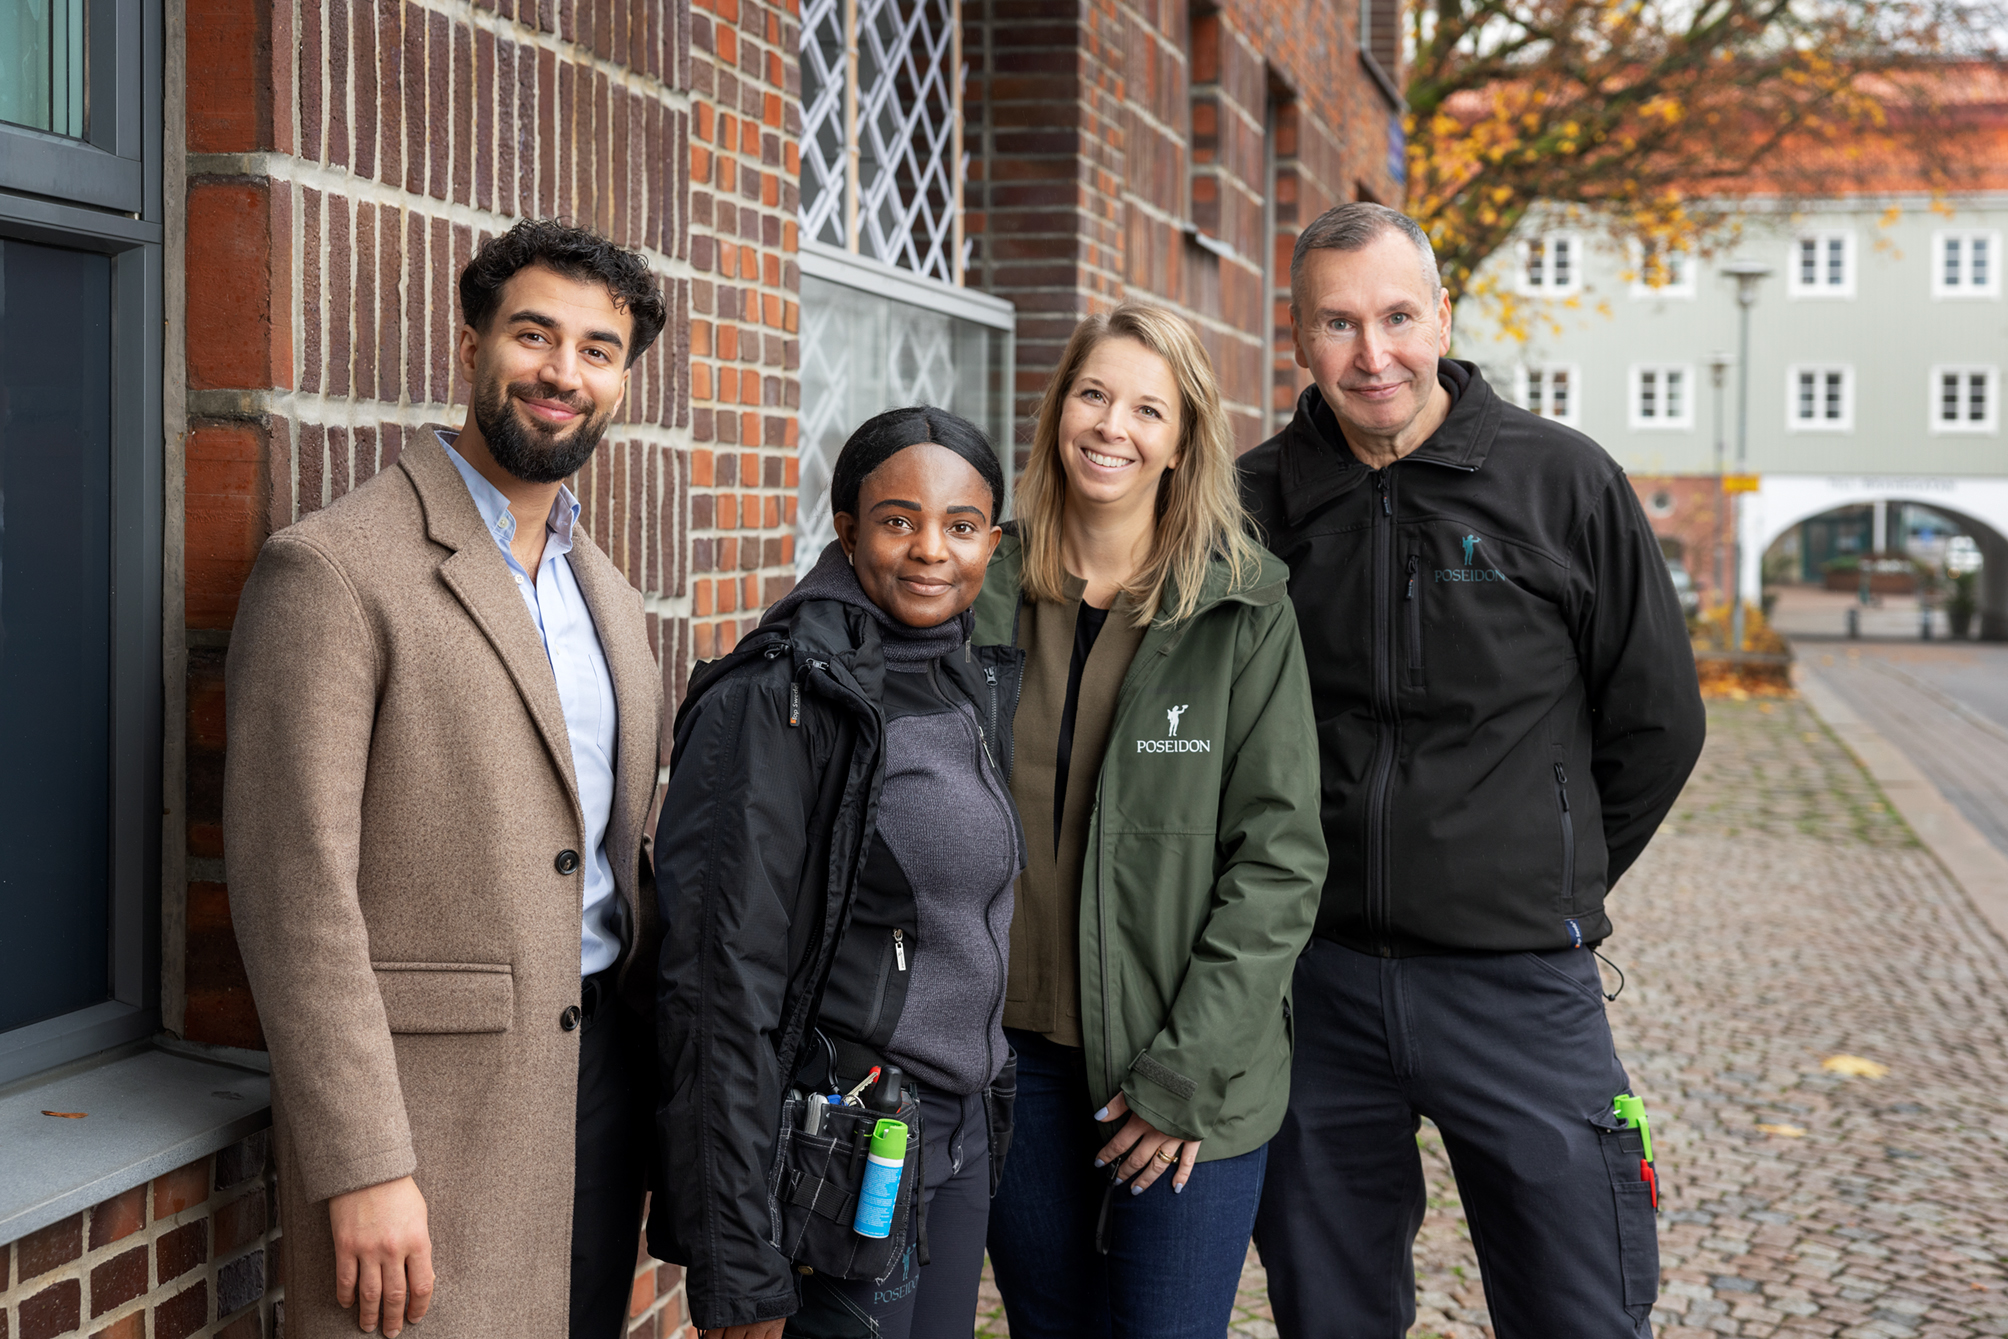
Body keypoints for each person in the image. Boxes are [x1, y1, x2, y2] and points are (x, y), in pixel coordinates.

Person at [1240, 202, 1707, 1337]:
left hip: (1518, 989)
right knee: (1328, 1312)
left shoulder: (1562, 483)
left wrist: (1544, 868)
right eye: (1339, 324)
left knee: (1580, 1307)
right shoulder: (1250, 504)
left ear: (1443, 315)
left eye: (1398, 316)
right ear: (1298, 336)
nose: (1374, 354)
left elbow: (1656, 723)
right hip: (1317, 988)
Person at [223, 219, 668, 1339]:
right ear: (470, 338)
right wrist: (361, 1161)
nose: (564, 373)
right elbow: (295, 896)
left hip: (600, 1085)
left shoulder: (609, 597)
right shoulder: (334, 569)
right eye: (535, 334)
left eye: (598, 350)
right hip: (431, 1120)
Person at [974, 303, 1328, 1339]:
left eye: (1145, 407)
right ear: (1056, 410)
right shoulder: (982, 584)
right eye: (1092, 394)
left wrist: (1181, 1073)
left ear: (1182, 440)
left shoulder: (1242, 609)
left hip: (1181, 1067)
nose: (1111, 426)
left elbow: (1278, 863)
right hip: (1012, 1060)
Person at [649, 408, 1022, 1339]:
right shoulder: (780, 697)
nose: (931, 550)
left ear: (994, 541)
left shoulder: (962, 675)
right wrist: (737, 1258)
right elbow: (714, 983)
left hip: (952, 1135)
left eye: (961, 526)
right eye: (898, 521)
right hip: (836, 1147)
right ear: (848, 529)